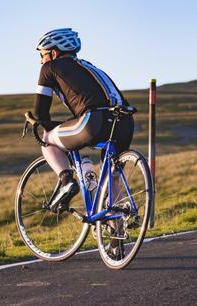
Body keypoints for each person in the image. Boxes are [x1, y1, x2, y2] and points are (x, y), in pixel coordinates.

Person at [33, 28, 135, 259]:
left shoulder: (49, 68)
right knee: (114, 177)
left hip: (92, 121)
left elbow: (41, 114)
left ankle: (69, 180)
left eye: (43, 53)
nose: (41, 59)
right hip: (124, 121)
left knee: (48, 139)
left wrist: (37, 122)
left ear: (54, 52)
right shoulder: (89, 66)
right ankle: (116, 242)